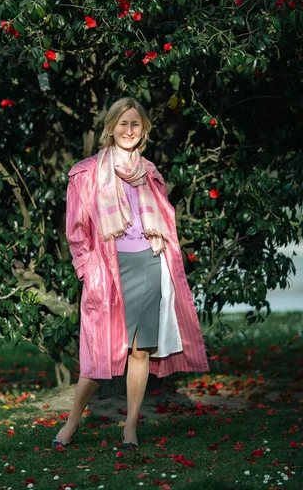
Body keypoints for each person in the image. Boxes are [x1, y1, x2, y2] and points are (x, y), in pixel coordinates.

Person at [52, 97, 209, 450]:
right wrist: (85, 270)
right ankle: (73, 421)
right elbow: (76, 229)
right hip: (108, 269)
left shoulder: (149, 172)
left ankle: (131, 427)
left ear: (144, 131)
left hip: (149, 263)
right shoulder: (86, 173)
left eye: (135, 124)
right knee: (100, 355)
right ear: (110, 127)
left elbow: (164, 220)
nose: (129, 130)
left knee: (140, 352)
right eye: (122, 123)